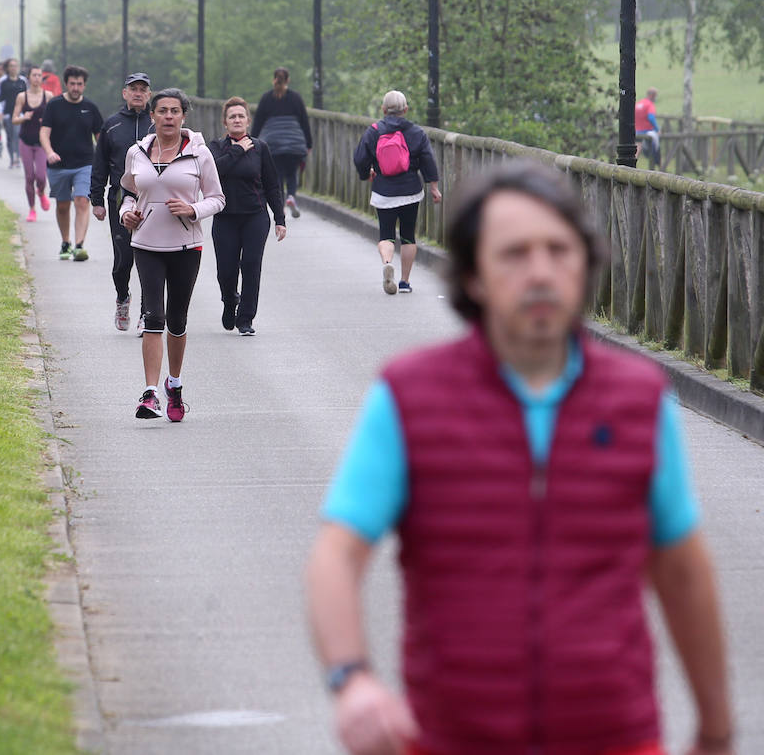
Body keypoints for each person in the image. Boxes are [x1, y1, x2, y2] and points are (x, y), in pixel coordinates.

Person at [305, 160, 733, 755]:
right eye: (514, 254)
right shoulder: (410, 397)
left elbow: (683, 572)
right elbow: (337, 553)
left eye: (559, 250)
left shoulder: (639, 400)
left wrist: (716, 729)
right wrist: (351, 680)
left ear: (585, 264)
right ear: (474, 276)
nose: (541, 272)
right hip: (453, 738)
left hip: (615, 737)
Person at [119, 88, 225, 422]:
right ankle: (150, 394)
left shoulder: (200, 154)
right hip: (146, 243)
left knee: (177, 320)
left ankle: (174, 385)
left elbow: (217, 198)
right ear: (152, 116)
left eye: (174, 111)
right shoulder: (136, 152)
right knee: (154, 316)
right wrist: (127, 213)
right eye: (162, 111)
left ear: (183, 116)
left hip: (185, 246)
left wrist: (193, 209)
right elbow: (129, 193)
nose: (168, 117)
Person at [352, 90, 442, 296]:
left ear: (383, 110)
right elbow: (428, 159)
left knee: (386, 235)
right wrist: (434, 187)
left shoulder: (373, 131)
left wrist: (367, 173)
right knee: (408, 236)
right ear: (406, 109)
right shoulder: (416, 132)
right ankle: (404, 282)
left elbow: (359, 158)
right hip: (411, 189)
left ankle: (387, 263)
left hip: (384, 190)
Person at [209, 96, 286, 336]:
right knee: (226, 270)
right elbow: (213, 173)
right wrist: (236, 151)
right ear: (225, 122)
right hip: (225, 217)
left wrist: (280, 219)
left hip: (255, 216)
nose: (237, 120)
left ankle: (246, 318)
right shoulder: (215, 148)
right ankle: (230, 300)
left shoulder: (261, 148)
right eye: (232, 116)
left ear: (248, 120)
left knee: (251, 265)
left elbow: (272, 185)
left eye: (241, 115)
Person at [92, 73, 154, 332]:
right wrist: (96, 199)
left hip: (152, 199)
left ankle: (146, 314)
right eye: (133, 89)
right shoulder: (113, 125)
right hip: (119, 197)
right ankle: (122, 297)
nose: (138, 93)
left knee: (149, 260)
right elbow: (100, 163)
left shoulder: (157, 123)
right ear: (124, 93)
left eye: (143, 89)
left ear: (149, 95)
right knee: (123, 259)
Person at [41, 65, 104, 261]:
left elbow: (100, 137)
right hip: (58, 164)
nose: (76, 87)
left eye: (80, 84)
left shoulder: (91, 108)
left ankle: (79, 245)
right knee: (62, 205)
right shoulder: (54, 105)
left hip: (85, 163)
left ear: (84, 85)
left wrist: (104, 159)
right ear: (66, 84)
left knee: (82, 200)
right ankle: (66, 242)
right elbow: (44, 132)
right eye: (72, 84)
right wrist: (49, 152)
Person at [252, 66, 313, 219]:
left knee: (277, 174)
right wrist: (308, 143)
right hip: (294, 143)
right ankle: (291, 196)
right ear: (288, 80)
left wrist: (251, 140)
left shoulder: (266, 98)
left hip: (273, 143)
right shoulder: (295, 98)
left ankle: (280, 205)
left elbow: (258, 121)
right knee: (292, 173)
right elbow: (304, 121)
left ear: (274, 80)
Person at [11, 64, 53, 222]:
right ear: (28, 77)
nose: (37, 78)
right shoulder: (22, 97)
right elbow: (14, 119)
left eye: (39, 75)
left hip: (42, 142)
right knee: (29, 177)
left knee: (41, 176)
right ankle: (32, 209)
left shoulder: (48, 96)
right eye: (34, 75)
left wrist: (48, 121)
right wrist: (24, 117)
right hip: (26, 141)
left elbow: (55, 117)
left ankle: (41, 192)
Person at [0, 58, 27, 169]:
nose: (14, 68)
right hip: (8, 114)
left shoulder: (22, 81)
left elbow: (27, 97)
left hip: (20, 115)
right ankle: (11, 157)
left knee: (17, 135)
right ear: (8, 68)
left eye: (15, 66)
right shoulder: (3, 82)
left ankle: (17, 158)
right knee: (10, 137)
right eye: (11, 66)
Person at [635, 87, 660, 168]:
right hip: (647, 131)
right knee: (656, 145)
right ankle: (658, 165)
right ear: (653, 96)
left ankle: (631, 166)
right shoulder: (649, 105)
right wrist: (657, 129)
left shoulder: (638, 103)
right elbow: (651, 117)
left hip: (637, 131)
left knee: (637, 149)